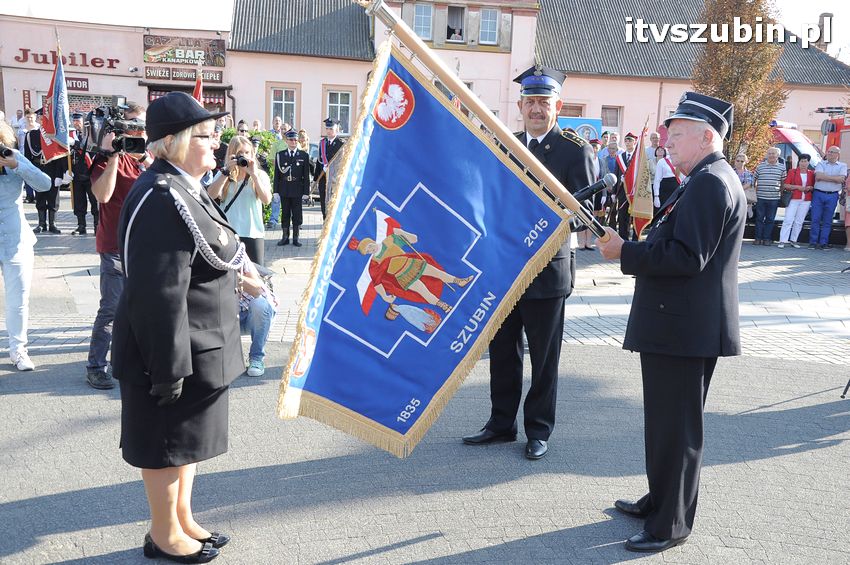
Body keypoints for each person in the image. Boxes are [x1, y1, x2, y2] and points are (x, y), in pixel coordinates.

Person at [596, 92, 745, 553]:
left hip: (684, 328)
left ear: (706, 136)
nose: (667, 143)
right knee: (665, 424)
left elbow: (687, 257)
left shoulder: (710, 182)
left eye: (676, 135)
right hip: (680, 324)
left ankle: (671, 524)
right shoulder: (706, 177)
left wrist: (627, 253)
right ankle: (661, 500)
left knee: (677, 429)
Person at [112, 91, 241, 563]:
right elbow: (159, 292)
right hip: (172, 350)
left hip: (201, 342)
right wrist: (168, 369)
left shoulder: (185, 185)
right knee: (165, 443)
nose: (216, 144)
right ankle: (164, 534)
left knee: (186, 442)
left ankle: (182, 519)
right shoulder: (162, 194)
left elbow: (212, 249)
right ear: (175, 142)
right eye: (206, 136)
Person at [462, 66, 597, 460]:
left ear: (558, 106)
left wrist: (543, 220)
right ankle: (501, 423)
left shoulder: (575, 151)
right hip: (504, 269)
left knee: (543, 356)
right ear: (520, 106)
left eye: (545, 102)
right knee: (503, 352)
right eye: (531, 102)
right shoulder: (506, 145)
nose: (537, 109)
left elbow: (585, 212)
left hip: (547, 269)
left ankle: (538, 430)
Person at [85, 101, 149, 390]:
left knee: (143, 308)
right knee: (111, 308)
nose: (137, 130)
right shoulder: (106, 157)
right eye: (133, 124)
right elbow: (102, 195)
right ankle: (96, 366)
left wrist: (146, 158)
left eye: (142, 125)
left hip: (143, 247)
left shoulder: (146, 158)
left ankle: (132, 360)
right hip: (113, 245)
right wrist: (114, 156)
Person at [0, 121, 51, 371]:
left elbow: (44, 184)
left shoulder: (12, 156)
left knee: (18, 299)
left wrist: (16, 166)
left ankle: (18, 350)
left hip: (15, 238)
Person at [206, 135, 272, 265]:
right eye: (239, 153)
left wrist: (253, 174)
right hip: (230, 233)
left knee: (257, 277)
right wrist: (226, 172)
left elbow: (266, 200)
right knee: (232, 276)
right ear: (232, 155)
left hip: (253, 233)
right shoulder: (224, 174)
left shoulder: (260, 175)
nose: (244, 156)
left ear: (252, 153)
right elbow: (211, 195)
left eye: (247, 152)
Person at [24, 108, 73, 232]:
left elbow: (59, 157)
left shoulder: (54, 135)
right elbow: (28, 156)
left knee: (53, 197)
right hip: (38, 168)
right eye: (40, 118)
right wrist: (29, 174)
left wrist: (60, 174)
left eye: (44, 118)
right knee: (40, 196)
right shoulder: (31, 135)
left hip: (52, 168)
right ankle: (41, 224)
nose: (42, 119)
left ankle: (53, 224)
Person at [238, 261, 277, 377]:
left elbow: (257, 290)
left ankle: (256, 358)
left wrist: (232, 276)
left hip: (253, 316)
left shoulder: (238, 255)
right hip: (227, 317)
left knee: (259, 304)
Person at [274, 129, 311, 247]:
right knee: (285, 214)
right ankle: (285, 237)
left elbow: (306, 175)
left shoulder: (303, 155)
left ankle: (296, 237)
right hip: (284, 188)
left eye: (295, 139)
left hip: (297, 189)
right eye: (291, 139)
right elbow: (277, 175)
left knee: (297, 214)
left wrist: (306, 192)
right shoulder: (280, 155)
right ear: (286, 140)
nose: (293, 142)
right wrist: (275, 191)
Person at [810, 146, 847, 249]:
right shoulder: (821, 163)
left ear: (837, 154)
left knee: (827, 220)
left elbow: (841, 180)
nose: (829, 153)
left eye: (832, 152)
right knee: (815, 219)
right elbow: (818, 177)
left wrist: (825, 177)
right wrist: (834, 178)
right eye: (828, 151)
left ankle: (823, 243)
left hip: (832, 195)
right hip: (818, 194)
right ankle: (813, 242)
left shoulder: (843, 165)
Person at [69, 112, 99, 236]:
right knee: (79, 201)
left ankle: (97, 226)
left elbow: (89, 149)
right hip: (76, 172)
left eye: (79, 120)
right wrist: (66, 170)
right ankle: (81, 226)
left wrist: (75, 144)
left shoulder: (91, 135)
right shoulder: (71, 135)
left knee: (94, 202)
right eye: (74, 121)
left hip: (90, 172)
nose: (76, 123)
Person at [778, 154, 815, 248]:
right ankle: (782, 240)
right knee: (788, 219)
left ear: (808, 162)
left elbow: (814, 186)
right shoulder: (792, 171)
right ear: (799, 162)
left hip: (806, 200)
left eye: (805, 161)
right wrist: (798, 187)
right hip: (793, 199)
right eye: (802, 161)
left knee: (799, 221)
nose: (803, 163)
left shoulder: (811, 173)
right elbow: (786, 185)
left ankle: (794, 240)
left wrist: (810, 187)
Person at [752, 147, 786, 245]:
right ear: (767, 155)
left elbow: (783, 182)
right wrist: (754, 192)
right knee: (759, 219)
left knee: (770, 219)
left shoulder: (782, 167)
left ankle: (766, 239)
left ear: (777, 156)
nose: (771, 155)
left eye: (773, 154)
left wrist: (781, 192)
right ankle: (758, 238)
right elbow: (754, 180)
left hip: (774, 198)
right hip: (760, 197)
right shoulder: (760, 166)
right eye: (769, 153)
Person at [314, 117, 345, 219]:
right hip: (324, 179)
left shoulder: (342, 144)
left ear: (336, 129)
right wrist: (316, 179)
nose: (328, 131)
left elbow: (343, 163)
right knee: (324, 203)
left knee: (334, 204)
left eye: (331, 129)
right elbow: (319, 162)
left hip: (335, 179)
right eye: (327, 129)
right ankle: (325, 223)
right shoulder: (322, 143)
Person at [652, 146, 679, 211]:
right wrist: (656, 196)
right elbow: (657, 180)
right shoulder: (662, 161)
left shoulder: (680, 160)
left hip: (677, 188)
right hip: (664, 189)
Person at [733, 154, 755, 219]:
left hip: (744, 196)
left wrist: (739, 190)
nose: (739, 162)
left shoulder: (748, 173)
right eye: (738, 160)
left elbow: (749, 184)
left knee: (742, 216)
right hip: (732, 195)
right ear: (735, 161)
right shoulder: (730, 171)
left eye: (742, 161)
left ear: (745, 162)